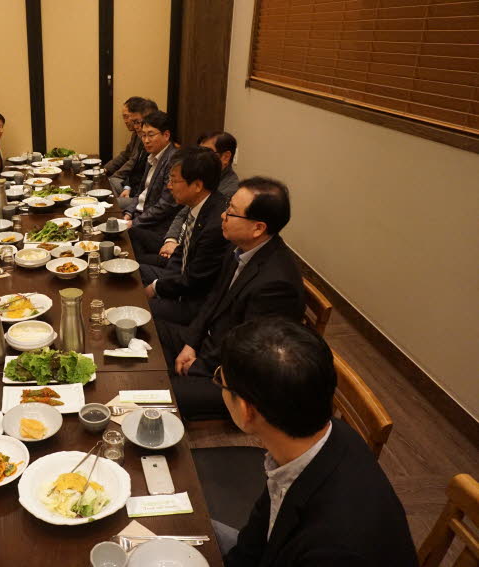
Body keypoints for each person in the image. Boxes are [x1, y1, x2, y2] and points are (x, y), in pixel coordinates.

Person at [216, 318, 419, 566]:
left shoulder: (335, 548)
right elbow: (258, 533)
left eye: (221, 381)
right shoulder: (328, 436)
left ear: (247, 411)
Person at [161, 176, 305, 420]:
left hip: (235, 379)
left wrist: (198, 366)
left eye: (232, 212)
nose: (222, 216)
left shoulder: (276, 284)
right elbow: (213, 300)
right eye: (227, 207)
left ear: (258, 227)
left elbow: (248, 354)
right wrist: (191, 343)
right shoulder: (240, 247)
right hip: (210, 345)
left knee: (157, 395)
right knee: (148, 332)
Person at [140, 147, 230, 325]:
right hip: (182, 279)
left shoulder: (215, 223)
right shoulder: (199, 205)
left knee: (141, 309)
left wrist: (155, 288)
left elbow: (194, 281)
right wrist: (163, 282)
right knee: (135, 271)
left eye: (174, 180)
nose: (169, 185)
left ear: (197, 185)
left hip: (196, 303)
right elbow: (182, 252)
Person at [147, 131, 239, 266]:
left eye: (207, 152)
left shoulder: (226, 192)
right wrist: (171, 239)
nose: (200, 157)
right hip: (180, 243)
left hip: (188, 254)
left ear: (225, 157)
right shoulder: (201, 180)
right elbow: (184, 213)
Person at [123, 110, 183, 258]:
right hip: (140, 214)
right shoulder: (153, 156)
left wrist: (134, 222)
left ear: (166, 135)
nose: (146, 140)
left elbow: (166, 205)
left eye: (151, 135)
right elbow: (141, 191)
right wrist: (129, 213)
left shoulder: (173, 160)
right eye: (143, 135)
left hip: (156, 226)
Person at [116, 98, 160, 200]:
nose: (136, 127)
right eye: (134, 122)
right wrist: (128, 187)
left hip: (144, 200)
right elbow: (136, 168)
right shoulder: (142, 139)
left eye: (137, 122)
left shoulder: (169, 155)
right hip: (135, 191)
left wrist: (131, 210)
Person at [104, 96, 144, 194]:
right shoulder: (135, 134)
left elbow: (132, 162)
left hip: (135, 185)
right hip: (130, 182)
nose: (125, 121)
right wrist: (105, 169)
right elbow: (125, 155)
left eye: (126, 116)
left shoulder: (143, 135)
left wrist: (114, 176)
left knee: (109, 184)